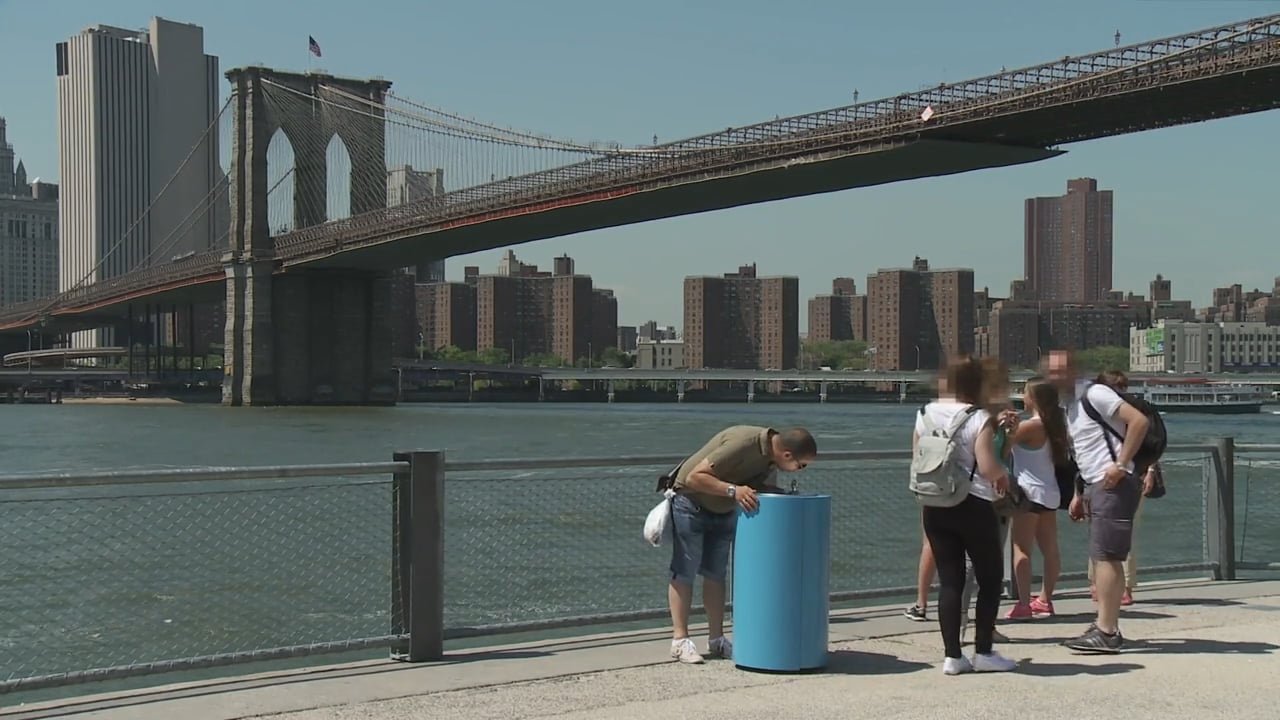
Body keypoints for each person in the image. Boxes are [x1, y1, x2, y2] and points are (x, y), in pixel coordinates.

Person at [666, 425, 818, 663]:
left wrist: (776, 493)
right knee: (685, 570)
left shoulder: (771, 458)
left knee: (716, 574)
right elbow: (694, 477)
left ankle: (717, 639)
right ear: (787, 455)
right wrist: (734, 491)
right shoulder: (745, 443)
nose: (800, 470)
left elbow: (752, 486)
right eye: (801, 465)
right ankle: (680, 640)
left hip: (723, 507)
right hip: (691, 502)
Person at [914, 355, 1018, 675]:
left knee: (950, 581)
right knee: (989, 579)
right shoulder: (978, 416)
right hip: (973, 505)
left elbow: (917, 457)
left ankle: (952, 657)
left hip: (935, 505)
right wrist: (1005, 478)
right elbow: (987, 466)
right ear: (977, 383)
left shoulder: (925, 413)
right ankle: (983, 651)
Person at [1045, 350, 1149, 653]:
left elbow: (1138, 421)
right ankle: (1105, 622)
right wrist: (1080, 492)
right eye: (1051, 372)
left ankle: (1107, 631)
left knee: (1107, 557)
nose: (1055, 377)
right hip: (1097, 485)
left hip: (1113, 483)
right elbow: (1085, 451)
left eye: (1060, 370)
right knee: (1103, 556)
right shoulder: (1070, 404)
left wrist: (1121, 465)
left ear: (1074, 370)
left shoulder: (1095, 394)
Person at [1085, 370, 1158, 605]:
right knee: (1099, 534)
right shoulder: (1102, 411)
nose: (1120, 390)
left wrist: (1149, 470)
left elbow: (1147, 442)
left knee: (1121, 533)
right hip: (1101, 478)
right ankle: (1098, 583)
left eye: (1122, 386)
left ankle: (1122, 586)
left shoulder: (1127, 411)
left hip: (1126, 477)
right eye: (1117, 386)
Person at [1004, 377, 1067, 619]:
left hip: (1028, 493)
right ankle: (1045, 599)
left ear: (1033, 398)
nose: (1022, 396)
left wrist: (1006, 427)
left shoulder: (1030, 427)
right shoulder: (1056, 426)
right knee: (1050, 549)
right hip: (1049, 492)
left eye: (1025, 392)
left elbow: (1001, 448)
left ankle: (1023, 604)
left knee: (1022, 549)